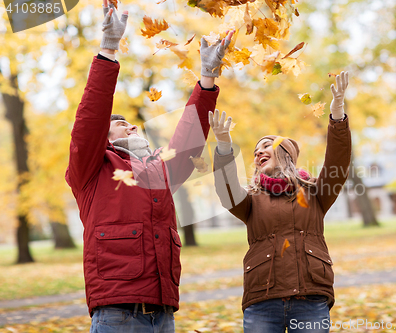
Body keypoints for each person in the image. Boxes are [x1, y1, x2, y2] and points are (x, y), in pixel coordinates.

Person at [65, 0, 233, 331]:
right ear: (106, 137)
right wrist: (108, 50)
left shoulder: (158, 168)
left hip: (162, 309)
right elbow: (90, 119)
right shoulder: (92, 168)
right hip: (117, 310)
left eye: (131, 121)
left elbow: (188, 139)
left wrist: (207, 80)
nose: (130, 125)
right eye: (120, 123)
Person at [209, 72, 351, 333]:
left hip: (310, 297)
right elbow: (225, 189)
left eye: (266, 146)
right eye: (255, 151)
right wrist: (224, 147)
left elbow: (337, 163)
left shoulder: (315, 193)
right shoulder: (250, 199)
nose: (258, 152)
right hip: (263, 299)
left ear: (286, 153)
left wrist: (338, 115)